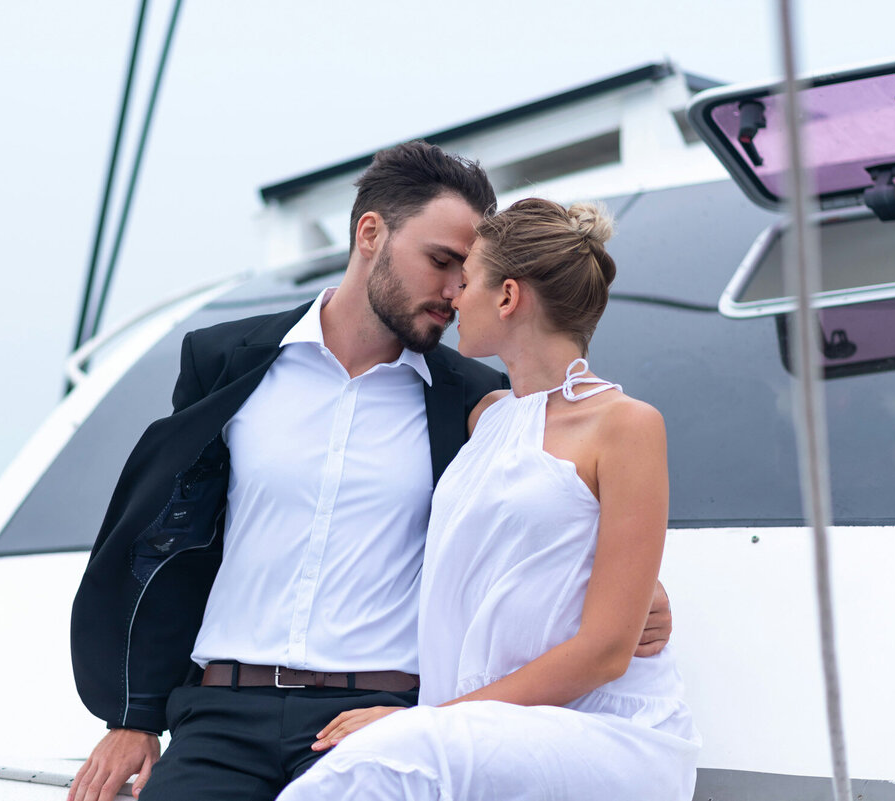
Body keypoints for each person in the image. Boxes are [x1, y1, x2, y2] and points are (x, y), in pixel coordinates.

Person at [67, 144, 674, 801]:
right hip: (218, 715)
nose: (452, 290)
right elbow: (176, 545)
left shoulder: (472, 397)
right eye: (442, 261)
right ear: (370, 233)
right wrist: (131, 715)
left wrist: (645, 587)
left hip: (375, 720)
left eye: (465, 272)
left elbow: (549, 489)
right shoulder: (226, 361)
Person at [278, 198, 699, 800]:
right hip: (477, 727)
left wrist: (428, 721)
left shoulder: (625, 424)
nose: (452, 296)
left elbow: (607, 650)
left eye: (467, 279)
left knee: (380, 762)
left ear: (506, 297)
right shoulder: (488, 419)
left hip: (601, 728)